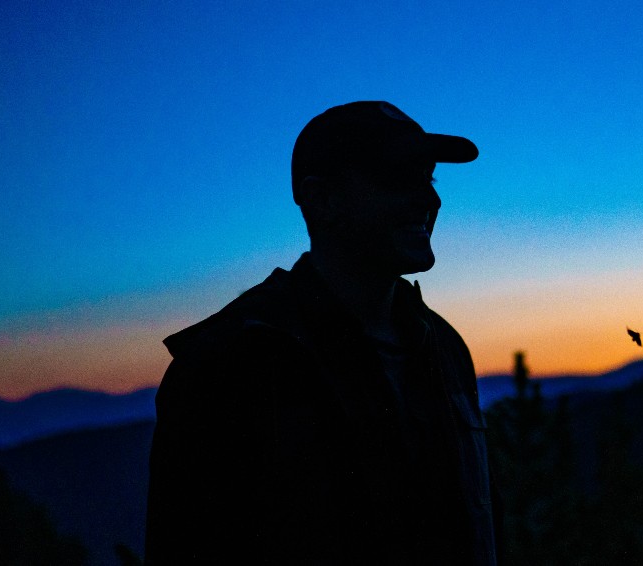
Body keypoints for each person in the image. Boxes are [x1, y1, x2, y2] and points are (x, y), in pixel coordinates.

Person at [144, 101, 497, 565]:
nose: (429, 200)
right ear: (322, 200)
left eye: (428, 178)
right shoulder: (230, 361)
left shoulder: (444, 347)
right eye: (397, 178)